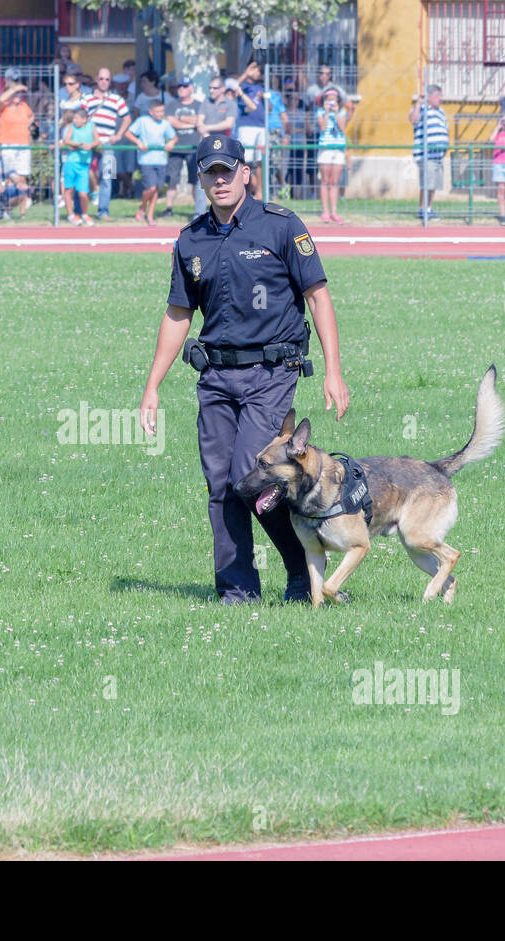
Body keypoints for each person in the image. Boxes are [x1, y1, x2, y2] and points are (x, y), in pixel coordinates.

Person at [137, 133, 350, 605]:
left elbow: (318, 295)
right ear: (201, 178)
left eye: (228, 170)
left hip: (271, 375)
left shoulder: (280, 225)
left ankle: (301, 571)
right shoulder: (191, 238)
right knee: (220, 487)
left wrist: (334, 370)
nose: (220, 180)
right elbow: (178, 314)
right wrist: (152, 386)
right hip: (215, 379)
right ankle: (237, 592)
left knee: (249, 477)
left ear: (246, 173)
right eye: (211, 172)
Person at [80, 68, 131, 220]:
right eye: (101, 79)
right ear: (96, 79)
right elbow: (81, 118)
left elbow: (127, 118)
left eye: (107, 79)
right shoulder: (86, 98)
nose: (104, 82)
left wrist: (119, 135)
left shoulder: (117, 99)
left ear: (110, 82)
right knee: (82, 175)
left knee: (107, 177)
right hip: (88, 142)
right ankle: (80, 211)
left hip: (108, 143)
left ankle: (103, 211)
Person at [125, 99, 176, 225]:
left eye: (162, 111)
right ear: (151, 112)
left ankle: (150, 216)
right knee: (150, 188)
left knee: (156, 189)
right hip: (146, 160)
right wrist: (138, 142)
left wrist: (170, 142)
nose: (160, 114)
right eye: (157, 111)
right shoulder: (143, 121)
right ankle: (142, 207)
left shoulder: (165, 124)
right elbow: (128, 133)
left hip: (161, 160)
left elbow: (174, 137)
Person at [407, 84, 448, 221]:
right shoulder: (422, 109)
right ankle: (422, 209)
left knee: (434, 184)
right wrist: (418, 103)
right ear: (429, 97)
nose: (440, 98)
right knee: (427, 182)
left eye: (441, 95)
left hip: (438, 155)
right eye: (437, 95)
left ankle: (428, 209)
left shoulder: (441, 112)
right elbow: (413, 120)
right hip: (426, 154)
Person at [163, 77, 202, 217]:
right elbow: (171, 122)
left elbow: (200, 121)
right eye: (179, 86)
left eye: (184, 86)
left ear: (191, 88)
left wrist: (181, 119)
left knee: (196, 181)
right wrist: (192, 122)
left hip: (193, 148)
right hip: (176, 148)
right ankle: (168, 209)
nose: (181, 89)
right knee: (172, 179)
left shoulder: (199, 105)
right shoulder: (171, 105)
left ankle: (198, 211)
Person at [0, 78, 34, 213]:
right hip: (7, 144)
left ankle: (22, 210)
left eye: (19, 94)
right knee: (8, 177)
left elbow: (31, 117)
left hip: (23, 145)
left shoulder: (24, 106)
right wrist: (15, 88)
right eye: (15, 94)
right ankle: (6, 207)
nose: (18, 97)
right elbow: (0, 100)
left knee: (22, 176)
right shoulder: (3, 106)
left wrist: (25, 127)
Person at [232, 60, 267, 199]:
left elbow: (269, 109)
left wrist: (265, 99)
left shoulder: (262, 87)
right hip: (246, 126)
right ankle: (244, 193)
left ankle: (260, 193)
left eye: (258, 70)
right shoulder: (242, 86)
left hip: (261, 126)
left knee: (260, 161)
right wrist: (246, 73)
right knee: (245, 160)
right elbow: (233, 87)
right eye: (255, 69)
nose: (257, 72)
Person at [315, 88, 348, 223]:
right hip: (325, 148)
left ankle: (334, 211)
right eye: (328, 99)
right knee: (325, 181)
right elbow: (322, 127)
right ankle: (325, 211)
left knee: (335, 182)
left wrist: (336, 113)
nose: (331, 101)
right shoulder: (320, 112)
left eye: (333, 99)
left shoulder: (342, 112)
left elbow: (342, 128)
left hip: (338, 148)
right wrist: (327, 112)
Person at [60, 106, 96, 224]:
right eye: (74, 118)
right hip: (71, 162)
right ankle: (71, 215)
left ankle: (85, 214)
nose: (74, 120)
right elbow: (66, 140)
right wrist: (78, 144)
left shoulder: (91, 126)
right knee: (69, 189)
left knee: (83, 193)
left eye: (76, 118)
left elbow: (97, 140)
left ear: (84, 119)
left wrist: (90, 145)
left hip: (84, 164)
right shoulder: (71, 127)